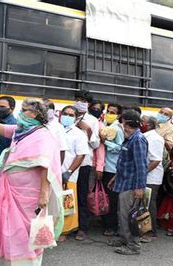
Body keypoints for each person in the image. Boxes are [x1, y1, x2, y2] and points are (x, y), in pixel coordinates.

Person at [0, 98, 64, 265]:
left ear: (36, 114)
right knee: (6, 231)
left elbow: (46, 167)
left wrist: (44, 195)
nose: (20, 113)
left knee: (21, 234)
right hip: (9, 190)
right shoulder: (21, 131)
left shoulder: (43, 135)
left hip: (28, 196)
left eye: (24, 110)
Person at [107, 110, 148, 255]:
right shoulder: (130, 138)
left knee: (129, 216)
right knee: (122, 213)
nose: (121, 124)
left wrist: (139, 187)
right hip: (123, 182)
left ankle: (133, 245)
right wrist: (115, 177)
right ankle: (124, 238)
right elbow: (125, 162)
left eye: (122, 121)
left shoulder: (137, 139)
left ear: (127, 123)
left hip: (131, 185)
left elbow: (141, 166)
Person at [73, 90, 100, 241]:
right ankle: (67, 225)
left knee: (82, 195)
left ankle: (82, 228)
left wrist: (88, 130)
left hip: (84, 163)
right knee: (67, 194)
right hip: (67, 162)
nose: (79, 102)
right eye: (77, 99)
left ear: (88, 104)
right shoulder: (68, 116)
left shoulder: (92, 120)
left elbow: (95, 144)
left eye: (82, 100)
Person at [60, 106, 89, 239]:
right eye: (65, 114)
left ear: (76, 118)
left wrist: (69, 171)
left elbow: (81, 155)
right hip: (53, 172)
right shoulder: (54, 129)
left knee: (66, 203)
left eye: (71, 115)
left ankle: (65, 231)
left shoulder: (78, 134)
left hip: (69, 173)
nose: (67, 116)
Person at [100, 103, 124, 236]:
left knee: (112, 199)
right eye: (108, 111)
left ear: (118, 115)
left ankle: (112, 226)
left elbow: (120, 147)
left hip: (112, 168)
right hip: (105, 167)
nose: (109, 114)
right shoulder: (106, 126)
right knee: (105, 197)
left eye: (113, 112)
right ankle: (106, 223)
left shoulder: (117, 129)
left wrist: (106, 142)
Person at [140, 115, 165, 243]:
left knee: (149, 205)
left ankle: (152, 232)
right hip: (146, 176)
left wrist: (142, 174)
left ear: (148, 125)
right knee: (143, 205)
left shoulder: (154, 138)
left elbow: (155, 160)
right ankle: (143, 229)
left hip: (151, 177)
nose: (140, 124)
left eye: (142, 122)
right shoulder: (145, 136)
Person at [43, 98, 68, 163]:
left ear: (53, 111)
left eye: (47, 108)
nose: (45, 111)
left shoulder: (58, 127)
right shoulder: (36, 123)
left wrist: (58, 168)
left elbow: (62, 149)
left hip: (51, 161)